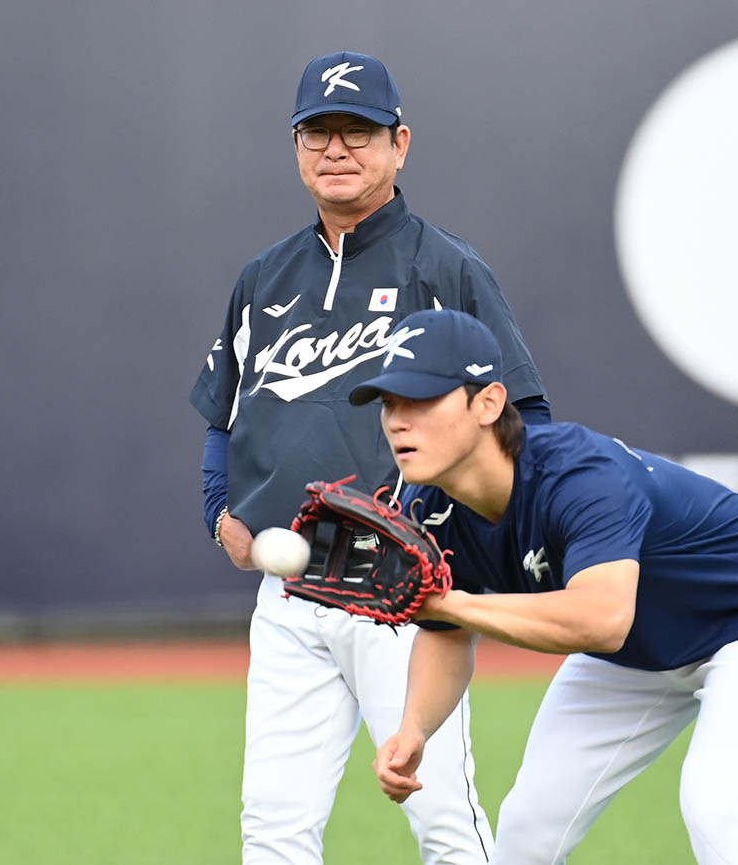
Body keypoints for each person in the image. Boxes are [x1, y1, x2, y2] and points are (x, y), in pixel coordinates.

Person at [189, 52, 550, 865]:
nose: (336, 149)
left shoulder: (446, 268)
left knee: (445, 822)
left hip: (405, 597)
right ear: (295, 146)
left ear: (400, 144)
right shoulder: (263, 278)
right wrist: (221, 514)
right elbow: (222, 417)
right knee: (273, 831)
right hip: (291, 595)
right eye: (317, 131)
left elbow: (521, 415)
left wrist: (451, 545)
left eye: (359, 131)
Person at [353, 309, 738, 865]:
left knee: (719, 812)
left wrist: (452, 602)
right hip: (637, 654)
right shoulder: (428, 509)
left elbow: (602, 621)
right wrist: (414, 727)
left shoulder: (579, 477)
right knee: (527, 832)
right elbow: (446, 630)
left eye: (421, 399)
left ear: (488, 404)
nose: (396, 421)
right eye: (389, 403)